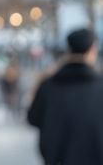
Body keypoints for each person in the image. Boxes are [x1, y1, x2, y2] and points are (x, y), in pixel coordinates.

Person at [28, 28, 103, 165]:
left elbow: (33, 118)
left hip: (58, 159)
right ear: (92, 50)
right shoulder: (99, 86)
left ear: (69, 49)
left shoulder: (48, 85)